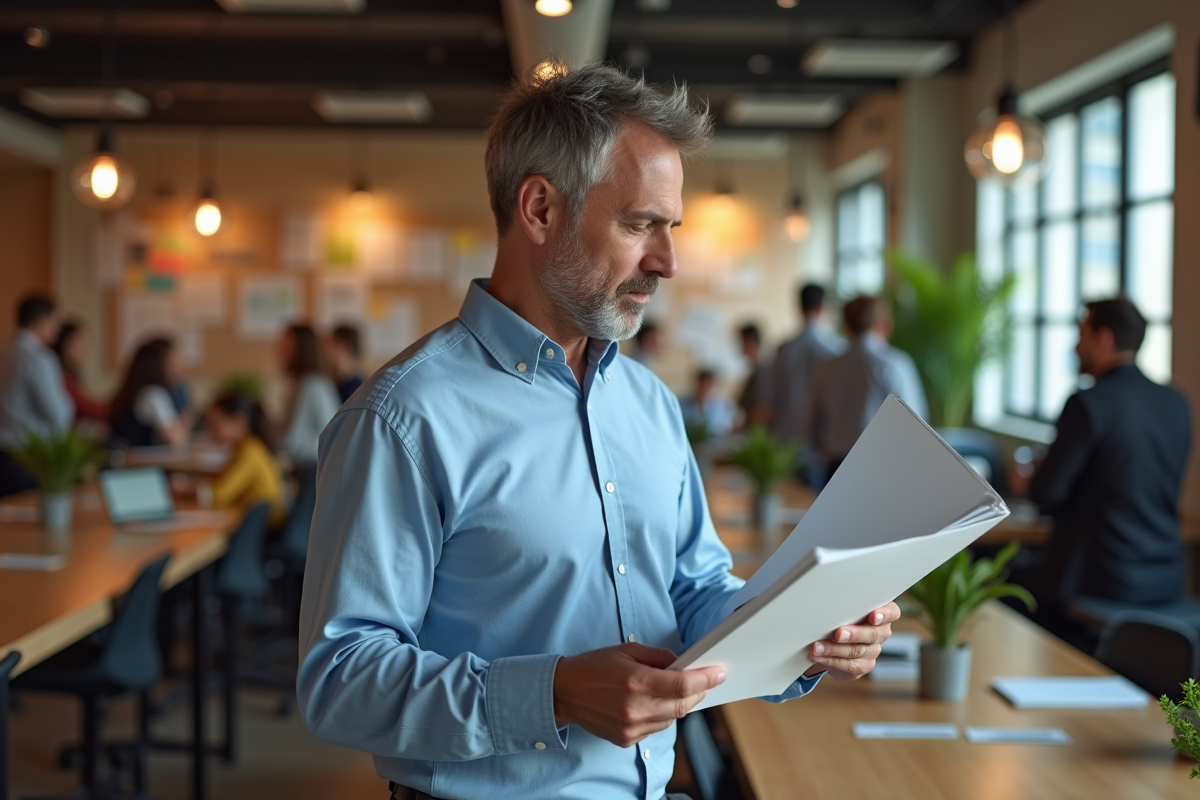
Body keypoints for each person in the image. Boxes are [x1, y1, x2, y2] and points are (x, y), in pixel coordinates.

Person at [298, 62, 898, 800]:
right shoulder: (402, 417)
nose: (668, 262)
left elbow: (692, 589)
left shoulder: (648, 403)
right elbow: (339, 678)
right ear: (541, 209)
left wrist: (802, 632)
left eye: (670, 228)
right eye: (641, 224)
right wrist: (554, 692)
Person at [1029, 298, 1191, 611]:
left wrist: (1030, 480)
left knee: (1014, 591)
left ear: (1102, 339)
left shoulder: (1089, 404)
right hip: (1166, 579)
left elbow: (1046, 493)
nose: (1076, 347)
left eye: (1081, 335)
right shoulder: (1176, 403)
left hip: (1100, 581)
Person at [803, 295, 927, 480]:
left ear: (845, 325)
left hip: (836, 467)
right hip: (883, 468)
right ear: (883, 324)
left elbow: (811, 425)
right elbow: (916, 425)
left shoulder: (825, 369)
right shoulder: (894, 365)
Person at [0, 295, 74, 497]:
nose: (57, 329)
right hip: (29, 458)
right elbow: (57, 414)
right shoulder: (39, 358)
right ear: (40, 322)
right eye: (54, 321)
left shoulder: (4, 352)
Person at [771, 283, 843, 447]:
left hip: (785, 439)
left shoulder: (783, 349)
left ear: (799, 306)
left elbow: (770, 401)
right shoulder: (837, 348)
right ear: (825, 307)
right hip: (822, 441)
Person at [203, 392, 286, 525]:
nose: (210, 431)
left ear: (238, 421)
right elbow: (225, 476)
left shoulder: (250, 451)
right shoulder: (243, 446)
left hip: (266, 530)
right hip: (258, 527)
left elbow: (220, 495)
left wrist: (190, 491)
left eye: (214, 424)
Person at [108, 337, 192, 448]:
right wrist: (184, 422)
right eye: (172, 363)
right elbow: (175, 439)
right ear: (158, 366)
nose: (179, 367)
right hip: (138, 462)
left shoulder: (139, 392)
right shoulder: (154, 394)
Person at [277, 323, 341, 468]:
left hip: (312, 468)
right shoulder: (305, 382)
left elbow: (293, 440)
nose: (279, 347)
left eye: (286, 342)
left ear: (301, 347)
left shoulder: (310, 385)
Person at [52, 320, 109, 423]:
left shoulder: (70, 373)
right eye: (80, 341)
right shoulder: (59, 374)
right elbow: (82, 405)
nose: (86, 347)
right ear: (64, 343)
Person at [679, 368, 735, 439]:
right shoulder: (684, 404)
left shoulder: (720, 406)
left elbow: (722, 428)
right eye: (702, 384)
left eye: (708, 385)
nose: (705, 388)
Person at [735, 323, 771, 429]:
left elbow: (762, 408)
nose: (739, 347)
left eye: (741, 342)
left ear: (749, 341)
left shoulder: (765, 369)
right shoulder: (755, 368)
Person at [325, 324, 365, 403]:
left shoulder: (358, 389)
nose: (325, 350)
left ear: (347, 347)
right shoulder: (332, 383)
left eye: (331, 344)